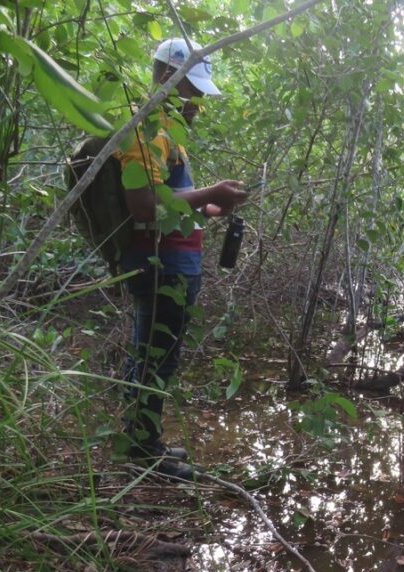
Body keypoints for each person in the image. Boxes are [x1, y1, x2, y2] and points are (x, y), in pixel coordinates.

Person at [118, 38, 248, 480]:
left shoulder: (168, 132)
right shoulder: (147, 127)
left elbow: (174, 199)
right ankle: (142, 451)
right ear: (163, 77)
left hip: (175, 262)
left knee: (159, 354)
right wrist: (209, 193)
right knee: (154, 354)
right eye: (189, 90)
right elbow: (142, 203)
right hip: (158, 264)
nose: (194, 103)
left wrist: (210, 205)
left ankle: (145, 440)